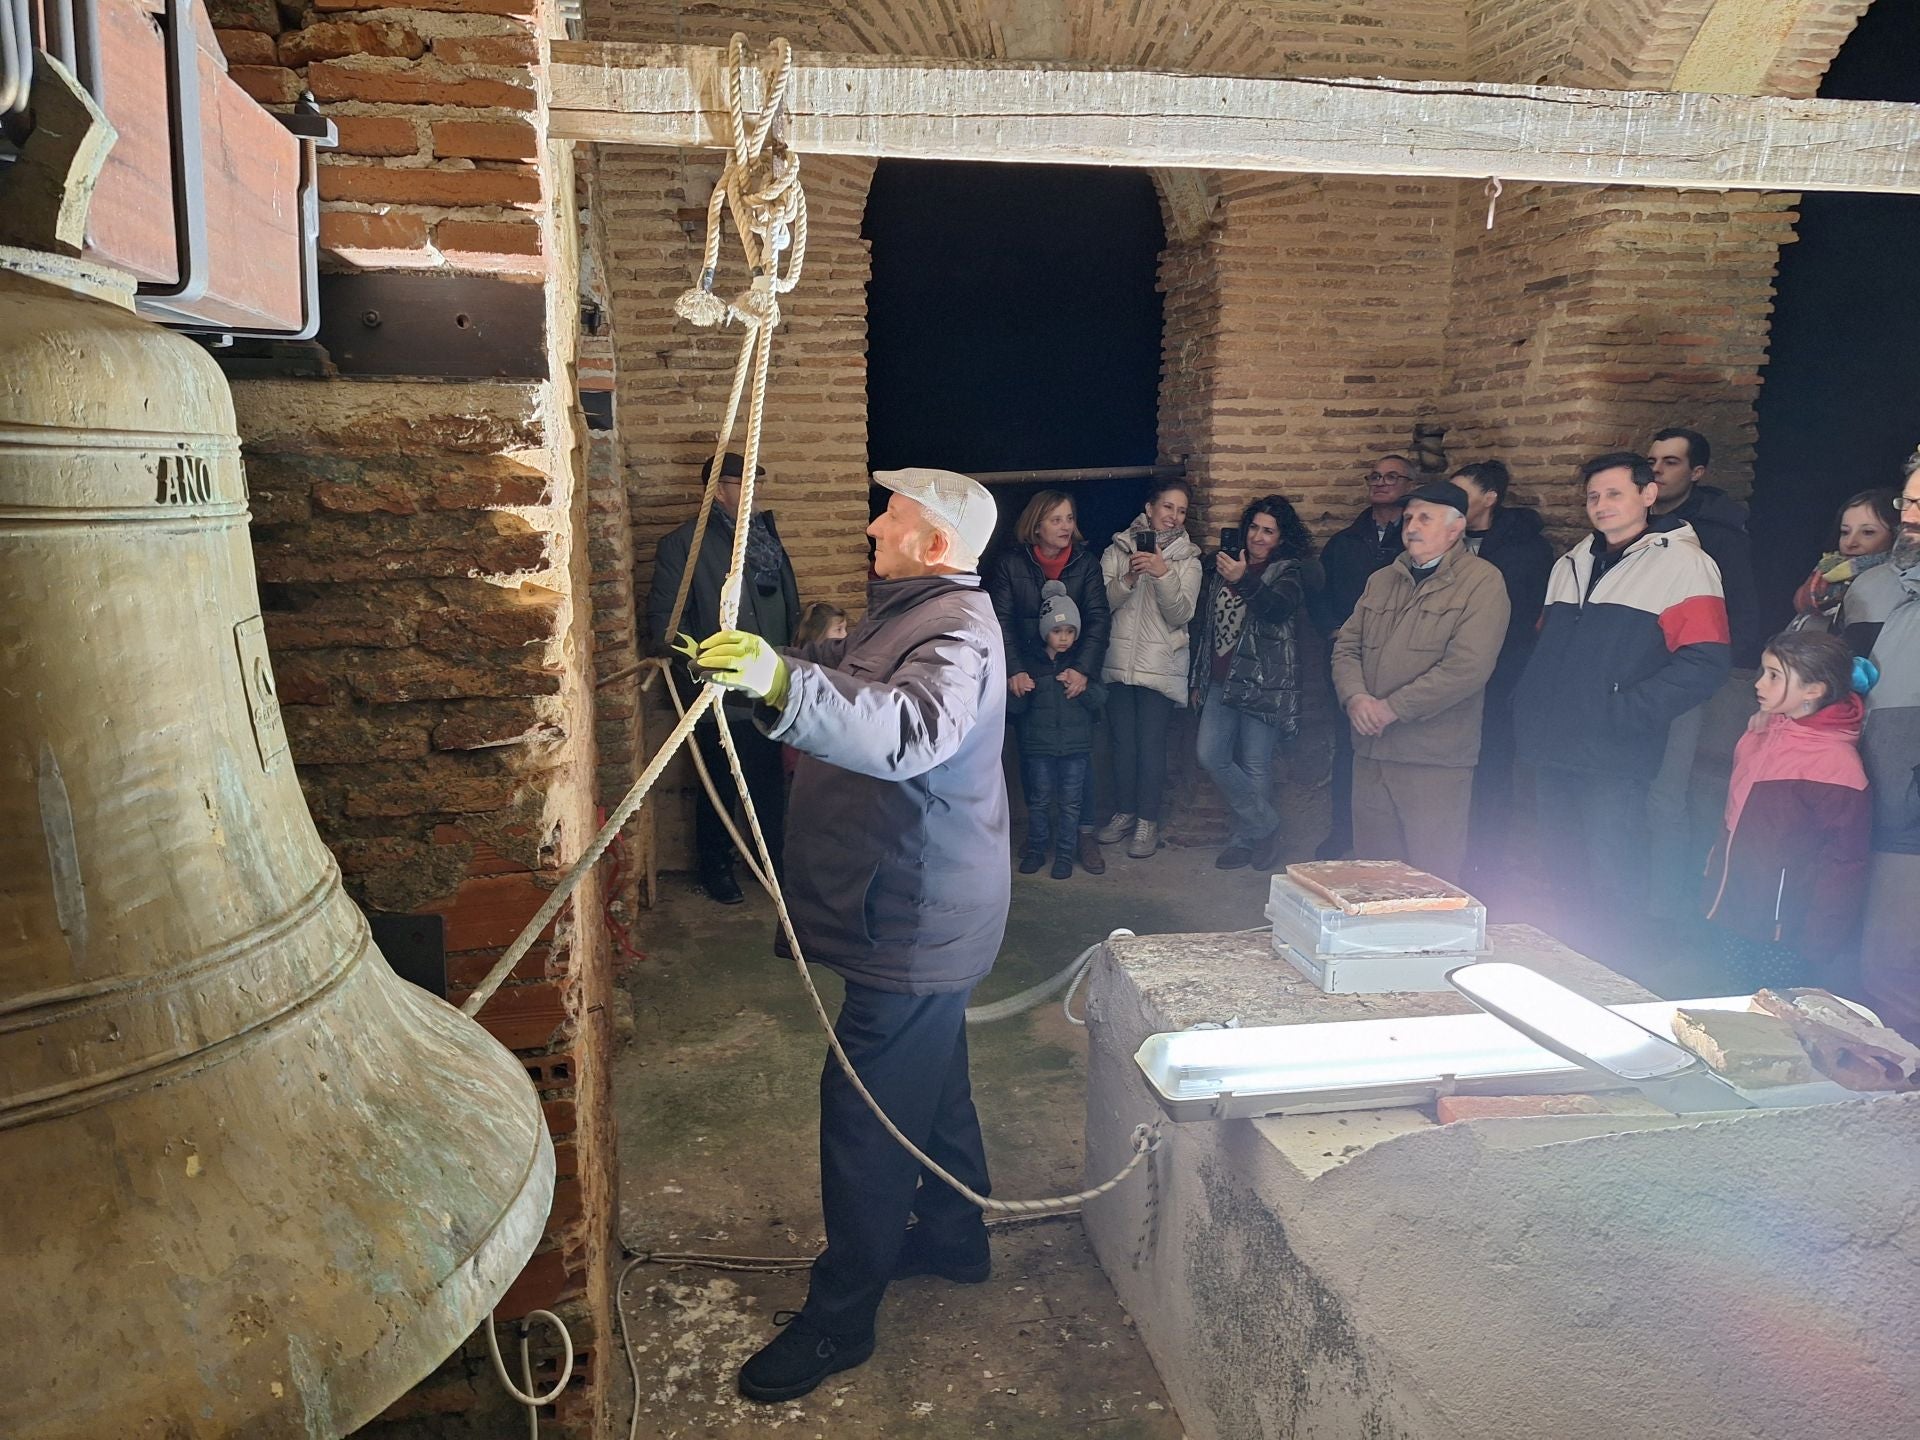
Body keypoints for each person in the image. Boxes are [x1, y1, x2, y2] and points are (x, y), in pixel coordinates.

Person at [693, 467, 1008, 1402]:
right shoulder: (907, 609)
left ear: (937, 545)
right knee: (930, 1075)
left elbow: (909, 728)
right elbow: (853, 685)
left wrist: (781, 682)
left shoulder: (956, 631)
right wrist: (777, 671)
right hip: (910, 901)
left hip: (915, 914)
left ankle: (841, 1321)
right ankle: (952, 1238)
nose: (874, 526)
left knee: (867, 1114)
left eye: (893, 517)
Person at [1513, 451, 1730, 952]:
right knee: (1562, 869)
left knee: (1613, 873)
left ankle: (1616, 978)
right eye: (1593, 496)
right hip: (1555, 743)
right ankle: (1568, 968)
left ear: (1647, 495)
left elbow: (1706, 662)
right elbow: (1547, 647)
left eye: (1614, 493)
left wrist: (1623, 712)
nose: (1602, 505)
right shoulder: (1571, 562)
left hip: (1614, 751)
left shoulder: (1685, 565)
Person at [1331, 481, 1510, 883]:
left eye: (1425, 518)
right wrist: (1356, 698)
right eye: (1409, 517)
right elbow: (1347, 646)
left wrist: (1392, 708)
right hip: (1373, 752)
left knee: (1431, 877)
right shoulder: (1383, 579)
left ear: (1455, 528)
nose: (1411, 526)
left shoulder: (1482, 582)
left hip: (1433, 759)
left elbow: (1468, 666)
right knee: (1373, 876)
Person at [645, 451, 801, 905]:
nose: (751, 495)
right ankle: (715, 866)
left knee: (769, 781)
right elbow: (665, 625)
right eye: (741, 485)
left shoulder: (765, 538)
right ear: (718, 490)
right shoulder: (684, 545)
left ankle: (771, 864)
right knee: (720, 781)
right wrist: (703, 665)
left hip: (772, 684)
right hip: (719, 691)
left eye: (756, 484)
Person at [1701, 630, 1871, 993]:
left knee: (1772, 1014)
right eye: (1763, 672)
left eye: (1775, 675)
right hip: (1735, 902)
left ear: (1814, 690)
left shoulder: (1836, 764)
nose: (1760, 684)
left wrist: (1820, 937)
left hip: (1784, 928)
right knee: (1727, 994)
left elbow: (1844, 861)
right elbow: (1734, 817)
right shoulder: (1761, 732)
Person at [1644, 427, 1760, 920]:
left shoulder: (1718, 536)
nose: (1657, 470)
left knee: (1672, 797)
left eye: (1670, 462)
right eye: (1651, 461)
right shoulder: (1632, 525)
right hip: (1633, 681)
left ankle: (1669, 912)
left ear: (1696, 473)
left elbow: (1740, 618)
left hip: (1685, 685)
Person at [1189, 495, 1323, 870]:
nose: (1258, 537)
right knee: (1210, 754)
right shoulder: (1222, 566)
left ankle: (1246, 840)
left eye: (1269, 531)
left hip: (1264, 682)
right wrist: (1198, 677)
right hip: (1220, 679)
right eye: (1254, 528)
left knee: (1255, 763)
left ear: (1281, 538)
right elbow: (1205, 626)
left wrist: (1244, 579)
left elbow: (1276, 610)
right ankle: (1266, 825)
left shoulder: (1287, 572)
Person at [987, 491, 1113, 872]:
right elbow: (1002, 621)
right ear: (1036, 525)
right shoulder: (1012, 564)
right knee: (1033, 757)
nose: (1065, 526)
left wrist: (1084, 670)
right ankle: (1037, 837)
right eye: (1056, 519)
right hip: (1030, 672)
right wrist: (1014, 670)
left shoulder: (1084, 563)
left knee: (1078, 758)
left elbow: (1098, 619)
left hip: (1072, 672)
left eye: (1070, 518)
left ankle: (1082, 836)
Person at [1840, 454, 1920, 1040]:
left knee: (1896, 973)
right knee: (1875, 970)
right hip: (1875, 796)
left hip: (1909, 813)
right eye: (1908, 501)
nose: (1909, 515)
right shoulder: (1884, 589)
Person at [1308, 453, 1417, 858]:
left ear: (1409, 484)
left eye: (1392, 476)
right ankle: (1344, 833)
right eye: (1375, 476)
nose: (1381, 482)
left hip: (1401, 670)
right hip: (1351, 667)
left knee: (1400, 754)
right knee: (1349, 752)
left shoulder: (1416, 539)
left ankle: (1397, 843)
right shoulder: (1344, 542)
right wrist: (1334, 633)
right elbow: (1319, 596)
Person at [1451, 460, 1554, 882]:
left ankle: (1483, 867)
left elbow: (1519, 619)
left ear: (1490, 498)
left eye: (1463, 494)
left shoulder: (1526, 551)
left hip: (1500, 676)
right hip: (1451, 678)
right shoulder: (1447, 542)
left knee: (1490, 770)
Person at [1093, 477, 1202, 859]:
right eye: (1168, 507)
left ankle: (1147, 822)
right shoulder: (1117, 549)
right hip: (1119, 662)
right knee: (1122, 744)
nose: (1174, 516)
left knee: (1151, 747)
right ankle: (1124, 812)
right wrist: (1130, 577)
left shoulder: (1188, 561)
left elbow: (1181, 613)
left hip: (1160, 665)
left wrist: (1161, 573)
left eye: (1182, 510)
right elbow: (1101, 603)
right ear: (1150, 509)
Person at [1008, 583, 1107, 878]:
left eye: (1070, 632)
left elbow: (1100, 701)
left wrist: (1084, 686)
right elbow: (1015, 713)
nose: (1063, 639)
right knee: (1038, 801)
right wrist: (1019, 692)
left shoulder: (1080, 666)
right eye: (1057, 631)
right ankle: (1037, 850)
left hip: (1075, 749)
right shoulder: (1030, 664)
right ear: (1044, 632)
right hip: (1038, 748)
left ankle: (1064, 854)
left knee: (1070, 803)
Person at [1789, 488, 1898, 633]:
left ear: (1896, 536)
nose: (1850, 542)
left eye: (1868, 532)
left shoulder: (1896, 586)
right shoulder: (1825, 573)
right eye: (1845, 532)